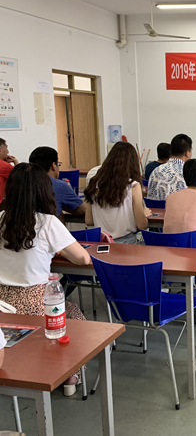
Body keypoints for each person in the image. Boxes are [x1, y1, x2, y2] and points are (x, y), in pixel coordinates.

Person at [0, 163, 91, 395]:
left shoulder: (0, 219)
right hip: (35, 302)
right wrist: (59, 250)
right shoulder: (47, 222)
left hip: (2, 301)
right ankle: (70, 375)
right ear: (43, 191)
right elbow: (83, 259)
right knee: (73, 315)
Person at [84, 142, 151, 244]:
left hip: (101, 243)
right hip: (126, 243)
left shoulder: (93, 183)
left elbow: (89, 220)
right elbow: (142, 225)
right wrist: (144, 214)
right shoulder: (133, 186)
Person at [28, 146, 87, 219]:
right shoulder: (59, 186)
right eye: (58, 164)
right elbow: (84, 210)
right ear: (53, 165)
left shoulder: (22, 183)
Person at [147, 134, 193, 200]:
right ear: (187, 153)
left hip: (154, 207)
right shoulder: (187, 174)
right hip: (177, 206)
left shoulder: (156, 171)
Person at [0, 137, 18, 202]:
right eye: (6, 148)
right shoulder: (4, 166)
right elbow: (21, 178)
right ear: (0, 151)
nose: (8, 152)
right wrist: (15, 162)